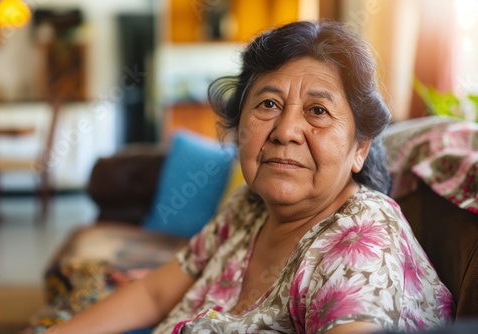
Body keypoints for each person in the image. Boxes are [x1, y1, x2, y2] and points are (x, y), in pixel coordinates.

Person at [44, 20, 453, 334]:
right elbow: (153, 294)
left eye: (318, 111)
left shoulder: (361, 235)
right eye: (269, 103)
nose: (286, 130)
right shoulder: (247, 209)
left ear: (359, 149)